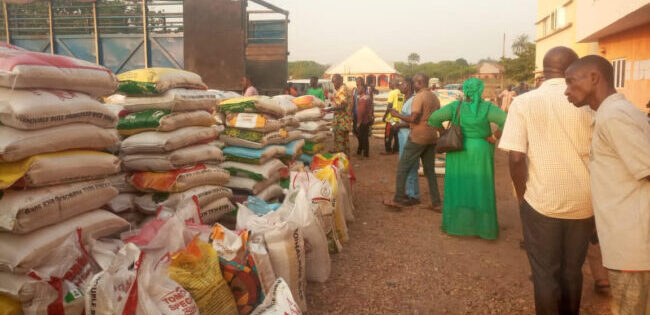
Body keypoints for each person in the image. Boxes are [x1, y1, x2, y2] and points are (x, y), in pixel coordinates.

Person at [499, 47, 595, 315]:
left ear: (543, 69)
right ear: (573, 69)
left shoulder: (524, 102)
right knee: (572, 271)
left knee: (544, 274)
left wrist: (521, 196)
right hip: (584, 201)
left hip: (542, 201)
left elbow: (516, 158)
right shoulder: (588, 103)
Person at [565, 55, 650, 315]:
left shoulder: (614, 117)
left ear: (593, 78)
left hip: (632, 245)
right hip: (628, 240)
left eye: (570, 82)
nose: (566, 90)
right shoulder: (615, 113)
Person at [428, 78, 506, 240]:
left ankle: (456, 225)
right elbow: (507, 121)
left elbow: (433, 118)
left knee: (458, 186)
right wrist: (493, 136)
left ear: (465, 90)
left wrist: (443, 133)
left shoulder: (455, 106)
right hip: (481, 152)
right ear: (480, 90)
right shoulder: (487, 107)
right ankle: (484, 228)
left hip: (458, 150)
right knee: (480, 186)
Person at [383, 73, 441, 211]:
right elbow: (437, 118)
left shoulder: (419, 97)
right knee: (430, 171)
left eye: (414, 83)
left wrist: (398, 115)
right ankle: (436, 202)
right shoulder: (434, 97)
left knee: (403, 167)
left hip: (418, 136)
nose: (412, 85)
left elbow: (414, 119)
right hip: (432, 136)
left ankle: (397, 199)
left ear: (418, 83)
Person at [394, 77, 420, 202]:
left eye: (403, 83)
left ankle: (413, 195)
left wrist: (398, 122)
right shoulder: (406, 100)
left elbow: (413, 121)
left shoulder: (413, 101)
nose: (400, 85)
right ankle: (408, 192)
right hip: (403, 137)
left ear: (409, 86)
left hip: (409, 137)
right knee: (405, 165)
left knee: (410, 165)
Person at [327, 74, 352, 155]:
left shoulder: (342, 89)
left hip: (341, 122)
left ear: (340, 80)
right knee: (345, 142)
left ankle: (340, 160)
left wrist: (329, 109)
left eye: (334, 82)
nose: (334, 85)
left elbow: (343, 106)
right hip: (344, 121)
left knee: (340, 143)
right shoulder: (345, 88)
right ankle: (345, 158)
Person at [382, 79, 404, 154]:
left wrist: (385, 116)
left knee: (388, 134)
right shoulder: (401, 93)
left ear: (393, 84)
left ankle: (388, 150)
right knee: (396, 135)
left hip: (391, 118)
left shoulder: (392, 93)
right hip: (399, 118)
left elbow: (390, 105)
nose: (389, 85)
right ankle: (396, 149)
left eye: (390, 83)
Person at [355, 81, 373, 158]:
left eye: (359, 87)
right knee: (364, 137)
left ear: (363, 88)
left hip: (363, 121)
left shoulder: (363, 99)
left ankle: (364, 154)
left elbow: (361, 112)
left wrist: (358, 123)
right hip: (367, 120)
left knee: (363, 137)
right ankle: (362, 152)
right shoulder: (367, 97)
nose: (357, 89)